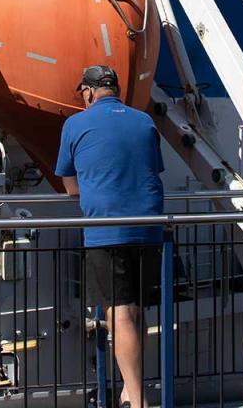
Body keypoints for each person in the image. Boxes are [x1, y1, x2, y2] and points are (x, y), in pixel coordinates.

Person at [55, 65, 165, 408]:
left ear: (87, 91)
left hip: (107, 231)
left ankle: (138, 399)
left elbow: (69, 183)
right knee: (135, 312)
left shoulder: (75, 124)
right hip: (149, 226)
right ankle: (129, 390)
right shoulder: (144, 120)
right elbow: (151, 168)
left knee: (119, 314)